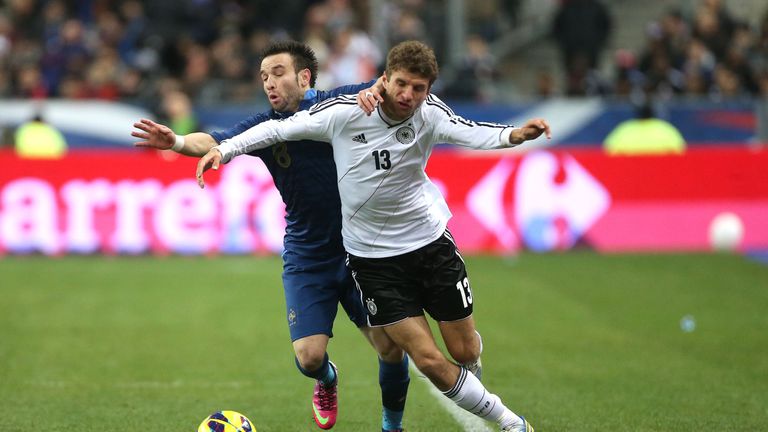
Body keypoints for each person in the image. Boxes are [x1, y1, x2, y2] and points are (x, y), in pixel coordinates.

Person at [197, 40, 550, 432]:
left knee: (463, 351)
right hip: (372, 261)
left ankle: (468, 381)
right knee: (425, 359)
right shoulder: (346, 112)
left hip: (430, 243)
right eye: (401, 84)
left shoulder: (430, 113)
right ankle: (511, 424)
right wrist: (225, 150)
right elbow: (276, 129)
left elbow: (471, 132)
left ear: (428, 90)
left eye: (418, 88)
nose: (408, 95)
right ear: (385, 79)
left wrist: (515, 135)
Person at [132, 40, 410, 432]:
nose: (269, 83)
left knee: (391, 348)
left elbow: (388, 84)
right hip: (308, 254)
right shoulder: (266, 128)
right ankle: (327, 379)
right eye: (264, 76)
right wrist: (177, 142)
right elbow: (213, 141)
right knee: (309, 358)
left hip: (361, 250)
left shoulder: (341, 104)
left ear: (305, 77)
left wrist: (379, 89)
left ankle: (391, 427)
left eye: (278, 73)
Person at [603, 101, 686, 155]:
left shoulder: (625, 129)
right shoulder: (665, 129)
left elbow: (608, 150)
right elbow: (681, 150)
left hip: (630, 170)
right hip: (660, 170)